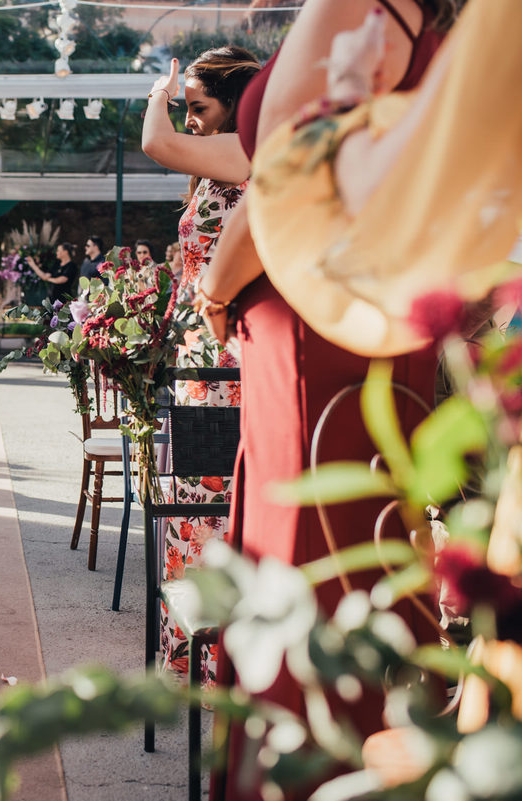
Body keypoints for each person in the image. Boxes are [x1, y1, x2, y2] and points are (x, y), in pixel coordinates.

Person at [191, 2, 460, 798]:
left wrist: (214, 288)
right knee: (367, 544)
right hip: (373, 311)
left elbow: (285, 175)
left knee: (308, 555)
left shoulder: (357, 7)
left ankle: (307, 771)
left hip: (309, 320)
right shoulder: (420, 21)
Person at [142, 44, 261, 683]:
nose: (189, 119)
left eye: (199, 107)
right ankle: (193, 656)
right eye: (185, 106)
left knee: (212, 499)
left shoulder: (246, 151)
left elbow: (155, 142)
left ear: (235, 105)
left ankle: (219, 664)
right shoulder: (218, 165)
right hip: (199, 356)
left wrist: (158, 94)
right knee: (192, 498)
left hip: (225, 359)